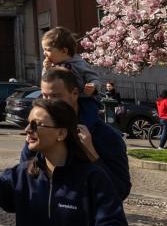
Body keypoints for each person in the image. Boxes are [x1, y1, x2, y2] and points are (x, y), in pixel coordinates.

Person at [0, 99, 132, 226]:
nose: (27, 130)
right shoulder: (23, 174)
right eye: (28, 124)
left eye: (36, 125)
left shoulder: (92, 178)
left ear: (61, 133)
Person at [21, 67, 131, 200]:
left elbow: (120, 191)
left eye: (55, 96)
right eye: (45, 96)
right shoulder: (38, 130)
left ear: (75, 93)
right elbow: (23, 180)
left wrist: (92, 155)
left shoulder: (106, 136)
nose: (48, 102)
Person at [41, 26, 101, 127]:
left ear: (64, 51)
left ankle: (86, 132)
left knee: (87, 120)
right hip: (61, 102)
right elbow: (45, 81)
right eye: (44, 50)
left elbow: (94, 78)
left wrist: (93, 87)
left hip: (83, 100)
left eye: (48, 50)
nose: (44, 53)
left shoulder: (79, 64)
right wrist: (46, 69)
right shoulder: (52, 66)